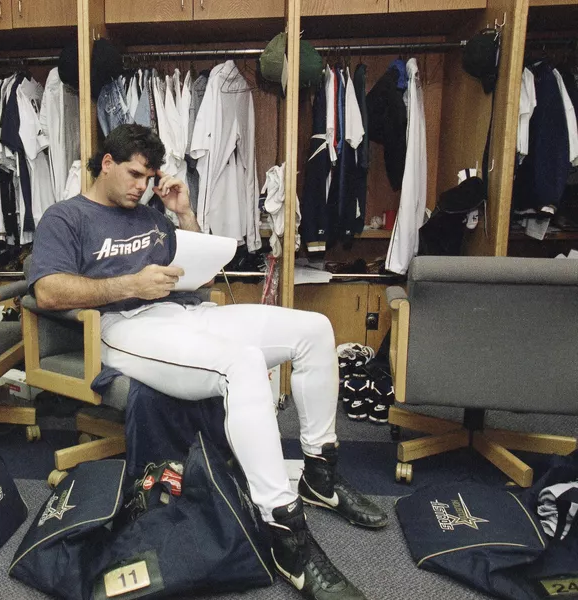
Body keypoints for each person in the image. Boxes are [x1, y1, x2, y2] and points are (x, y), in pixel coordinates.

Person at [29, 124, 387, 600]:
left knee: (314, 330)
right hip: (125, 325)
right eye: (134, 174)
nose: (141, 185)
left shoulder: (151, 215)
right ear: (107, 164)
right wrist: (128, 285)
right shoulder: (66, 217)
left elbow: (190, 268)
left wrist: (185, 215)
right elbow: (47, 290)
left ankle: (321, 475)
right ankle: (286, 534)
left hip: (189, 311)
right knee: (240, 364)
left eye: (149, 176)